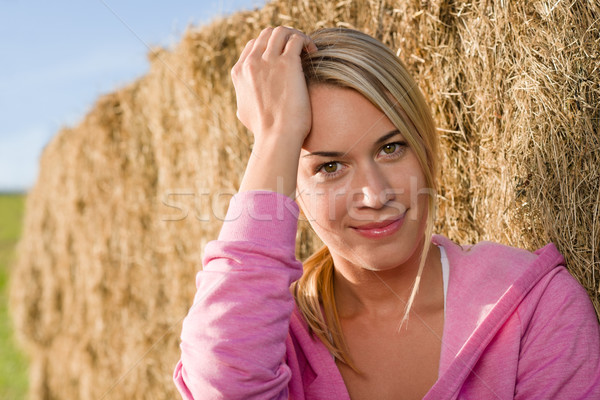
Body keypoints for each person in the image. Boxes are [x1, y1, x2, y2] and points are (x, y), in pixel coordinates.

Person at [173, 26, 600, 399]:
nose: (375, 195)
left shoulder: (535, 309)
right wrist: (273, 136)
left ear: (424, 146)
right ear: (291, 188)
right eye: (330, 167)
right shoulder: (276, 340)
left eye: (390, 147)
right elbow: (224, 389)